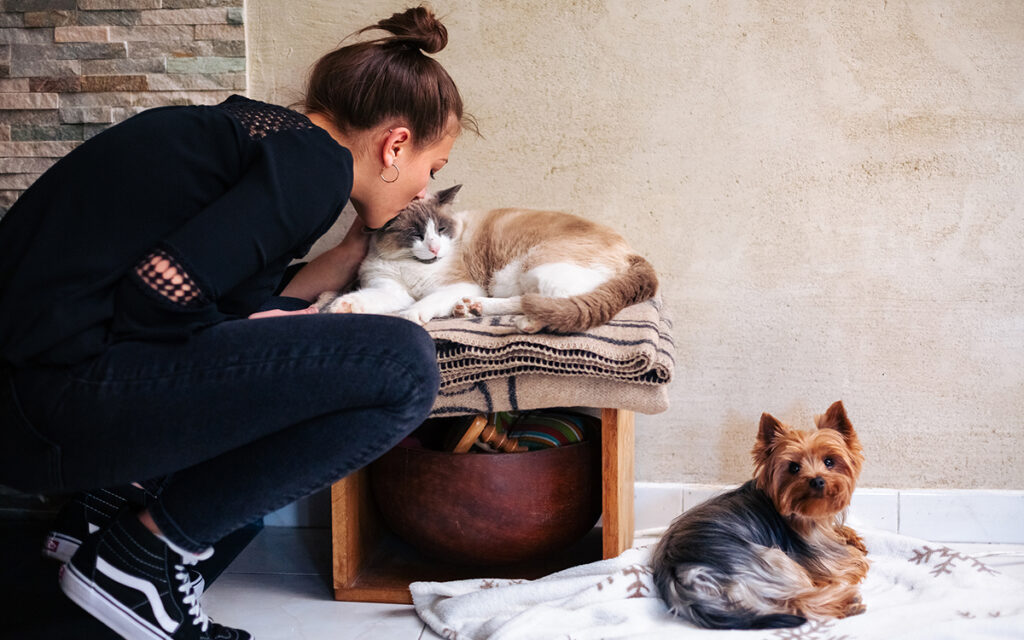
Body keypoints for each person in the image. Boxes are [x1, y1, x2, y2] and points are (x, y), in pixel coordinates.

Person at [0, 6, 475, 639]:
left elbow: (228, 297)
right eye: (430, 171)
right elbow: (161, 296)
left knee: (290, 356)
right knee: (405, 366)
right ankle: (142, 557)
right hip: (50, 405)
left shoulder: (265, 143)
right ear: (395, 145)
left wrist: (344, 257)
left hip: (31, 396)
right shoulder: (313, 169)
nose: (422, 194)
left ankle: (104, 515)